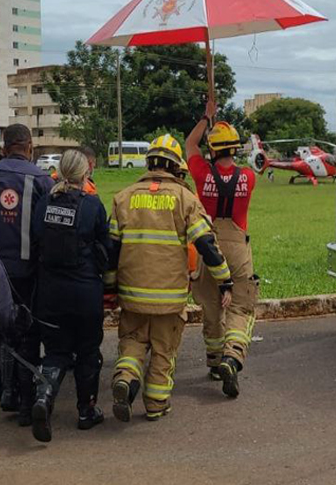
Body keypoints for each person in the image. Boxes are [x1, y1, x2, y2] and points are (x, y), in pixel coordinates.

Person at [107, 134, 233, 422]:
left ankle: (125, 378)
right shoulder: (185, 199)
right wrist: (224, 278)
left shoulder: (123, 198)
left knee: (132, 344)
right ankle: (156, 404)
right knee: (164, 352)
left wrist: (109, 288)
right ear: (176, 167)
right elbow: (206, 245)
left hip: (131, 295)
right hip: (168, 297)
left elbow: (110, 250)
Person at [0, 124, 54, 426]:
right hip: (29, 271)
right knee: (28, 331)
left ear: (4, 147)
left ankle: (3, 390)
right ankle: (26, 403)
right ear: (29, 146)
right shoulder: (43, 179)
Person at [29, 150, 110, 442]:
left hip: (50, 294)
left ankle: (44, 397)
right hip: (85, 292)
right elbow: (106, 249)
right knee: (88, 352)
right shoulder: (92, 206)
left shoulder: (43, 204)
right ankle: (87, 412)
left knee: (55, 352)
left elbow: (36, 240)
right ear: (85, 173)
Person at [185, 105, 258, 397]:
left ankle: (216, 363)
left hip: (208, 246)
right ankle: (233, 356)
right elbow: (230, 173)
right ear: (236, 149)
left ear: (212, 150)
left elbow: (190, 144)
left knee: (212, 307)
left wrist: (205, 117)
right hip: (238, 246)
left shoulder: (202, 173)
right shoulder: (248, 177)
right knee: (240, 306)